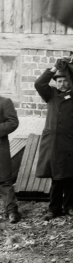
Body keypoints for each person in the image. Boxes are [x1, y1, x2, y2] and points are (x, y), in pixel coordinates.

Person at [35, 63, 73, 220]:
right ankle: (54, 208)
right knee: (56, 177)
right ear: (55, 82)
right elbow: (39, 83)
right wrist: (52, 69)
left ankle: (70, 206)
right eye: (58, 81)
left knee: (70, 177)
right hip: (55, 143)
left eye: (65, 81)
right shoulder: (50, 95)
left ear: (69, 82)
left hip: (72, 143)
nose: (62, 84)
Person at [0, 93, 19, 223]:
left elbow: (13, 122)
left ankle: (11, 211)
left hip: (0, 147)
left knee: (5, 180)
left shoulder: (5, 102)